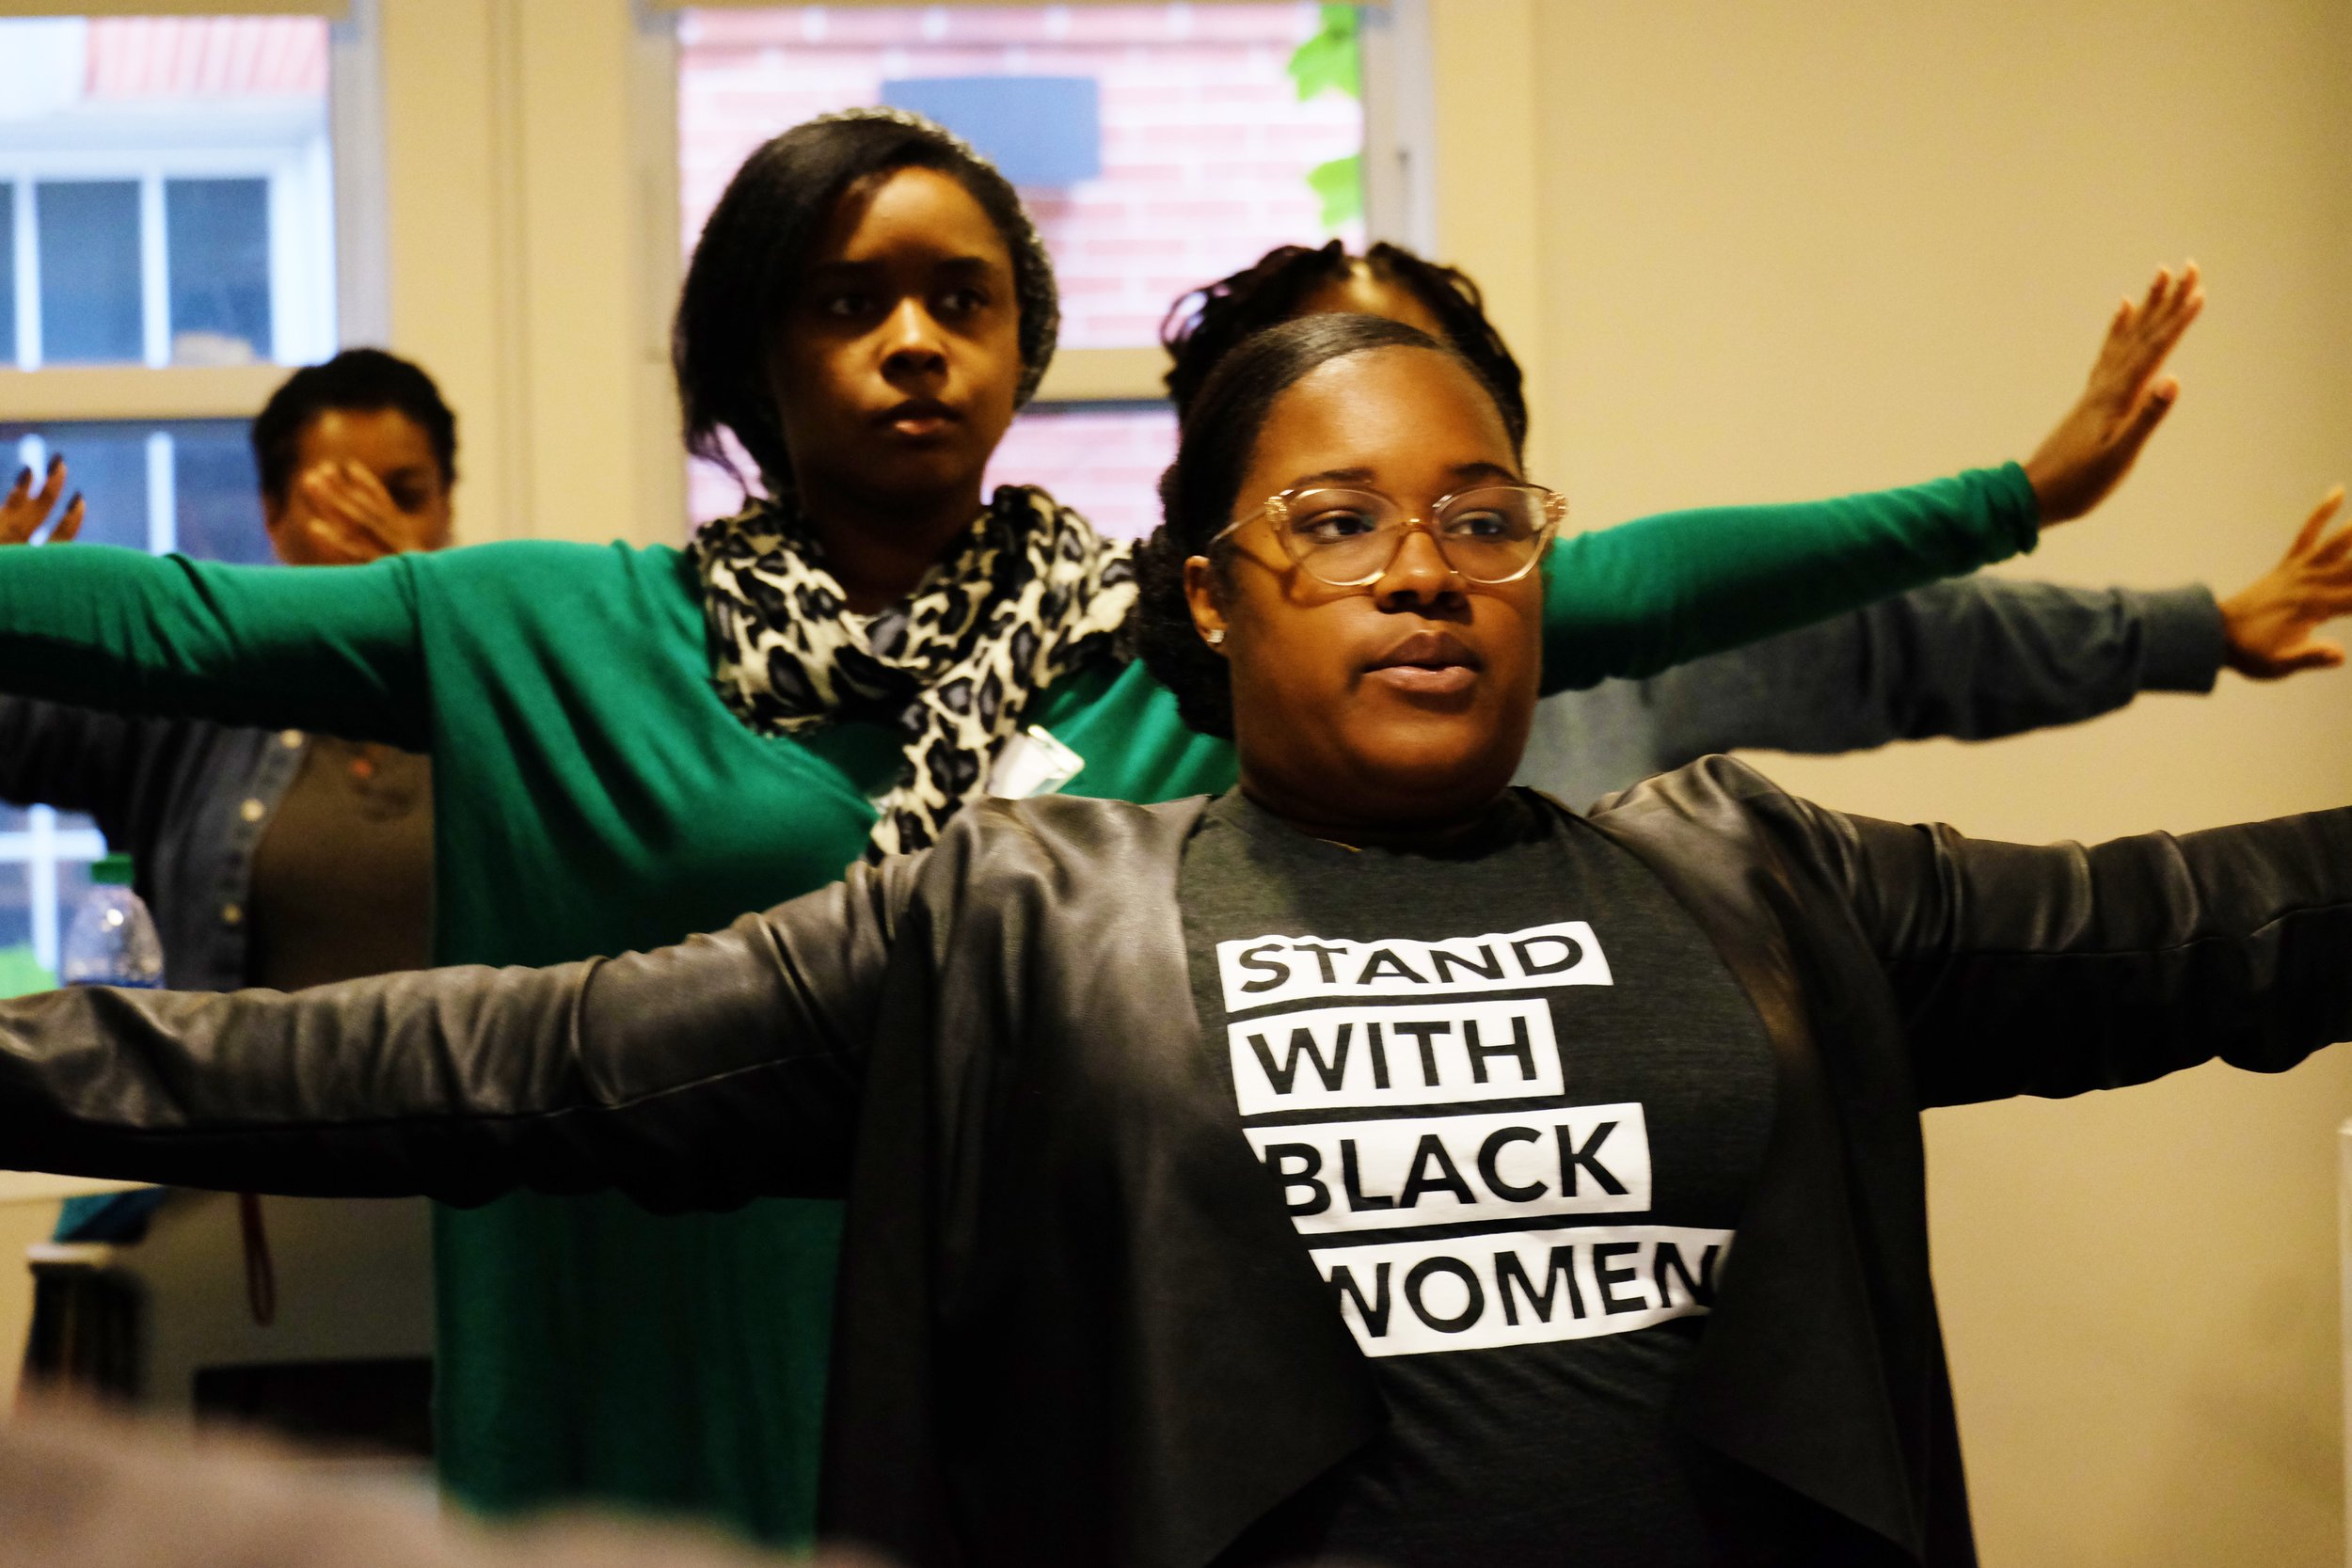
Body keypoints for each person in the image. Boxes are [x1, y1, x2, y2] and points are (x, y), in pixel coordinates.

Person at [0, 110, 2208, 1544]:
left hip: (1072, 1415)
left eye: (960, 297)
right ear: (742, 361)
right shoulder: (552, 630)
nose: (909, 343)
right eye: (844, 299)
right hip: (669, 1389)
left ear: (1021, 344)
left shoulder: (1159, 631)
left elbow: (1613, 580)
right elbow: (178, 623)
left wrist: (2010, 493)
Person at [1164, 241, 2352, 805]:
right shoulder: (1099, 793)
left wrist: (2203, 630)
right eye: (1337, 514)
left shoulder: (1613, 670)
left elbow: (1904, 646)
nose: (1412, 569)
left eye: (1461, 508)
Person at [0, 347, 454, 995]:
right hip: (242, 1096)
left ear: (446, 508)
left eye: (402, 497)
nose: (369, 528)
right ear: (273, 514)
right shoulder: (195, 691)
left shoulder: (505, 696)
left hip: (471, 1097)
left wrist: (427, 604)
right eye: (338, 499)